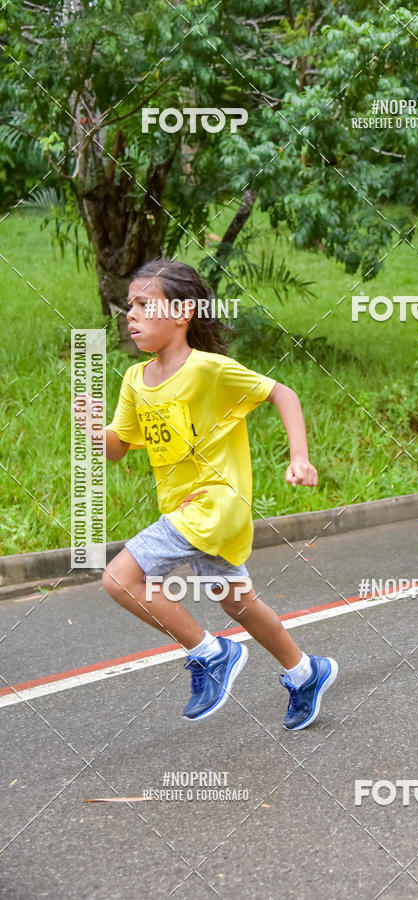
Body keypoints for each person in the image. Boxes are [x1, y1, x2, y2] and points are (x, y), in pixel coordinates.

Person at [73, 258, 337, 730]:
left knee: (119, 578)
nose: (130, 314)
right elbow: (117, 449)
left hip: (216, 503)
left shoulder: (210, 371)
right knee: (237, 602)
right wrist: (95, 428)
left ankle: (210, 654)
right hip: (184, 510)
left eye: (143, 304)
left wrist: (299, 456)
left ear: (182, 313)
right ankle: (304, 672)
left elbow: (284, 394)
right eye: (128, 306)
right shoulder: (135, 380)